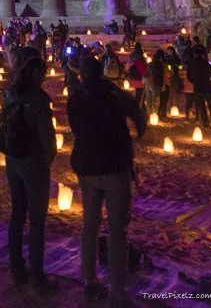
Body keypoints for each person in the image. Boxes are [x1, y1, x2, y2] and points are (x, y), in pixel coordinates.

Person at [67, 57, 145, 308]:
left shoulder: (75, 96)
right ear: (101, 72)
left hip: (87, 166)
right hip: (114, 166)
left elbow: (75, 127)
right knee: (117, 230)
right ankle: (117, 291)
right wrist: (136, 137)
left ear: (82, 74)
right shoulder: (114, 93)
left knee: (89, 225)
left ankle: (88, 279)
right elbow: (138, 114)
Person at [3, 56, 58, 295]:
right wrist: (49, 157)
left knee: (17, 215)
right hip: (33, 161)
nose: (45, 76)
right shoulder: (38, 99)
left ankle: (16, 269)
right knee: (36, 221)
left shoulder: (11, 93)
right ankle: (37, 276)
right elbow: (47, 135)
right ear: (35, 72)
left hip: (13, 159)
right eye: (43, 72)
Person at [187, 46, 211, 129]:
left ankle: (205, 123)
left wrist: (194, 81)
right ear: (202, 54)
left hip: (198, 87)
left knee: (202, 106)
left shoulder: (191, 63)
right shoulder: (206, 63)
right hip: (207, 86)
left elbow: (188, 76)